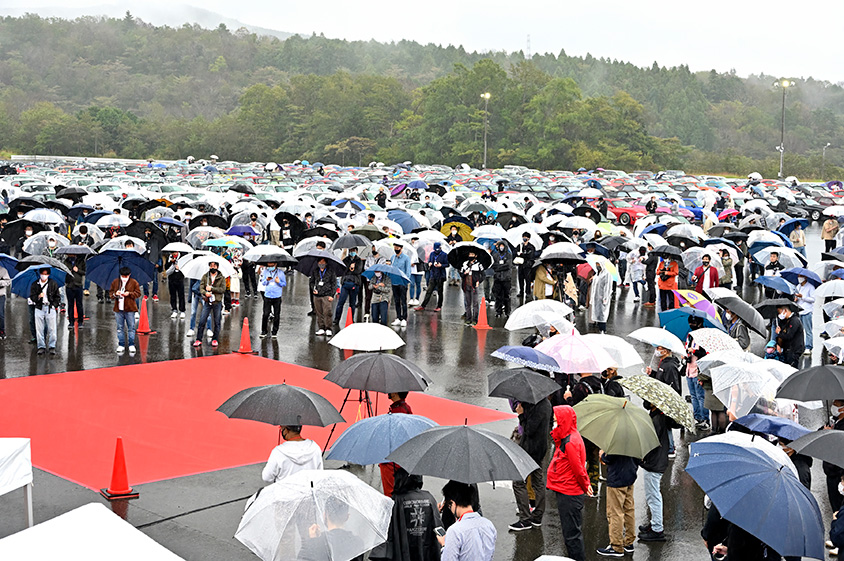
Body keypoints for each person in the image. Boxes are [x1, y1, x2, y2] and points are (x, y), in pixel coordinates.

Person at [547, 405, 592, 561]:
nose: (554, 420)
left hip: (569, 493)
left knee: (571, 536)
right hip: (567, 491)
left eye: (556, 418)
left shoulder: (570, 442)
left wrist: (586, 485)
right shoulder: (570, 436)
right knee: (571, 533)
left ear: (563, 419)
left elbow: (578, 469)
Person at [370, 468, 442, 561]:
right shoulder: (429, 497)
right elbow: (437, 524)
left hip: (403, 551)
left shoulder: (397, 499)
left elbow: (388, 532)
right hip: (426, 551)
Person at [637, 402, 680, 543]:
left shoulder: (657, 419)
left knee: (653, 496)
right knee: (653, 495)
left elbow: (650, 442)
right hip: (657, 461)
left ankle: (657, 529)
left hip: (654, 463)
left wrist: (642, 457)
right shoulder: (660, 415)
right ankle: (654, 523)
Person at [508, 397, 553, 531]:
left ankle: (525, 519)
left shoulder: (537, 406)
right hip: (540, 447)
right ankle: (537, 517)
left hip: (530, 449)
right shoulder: (546, 403)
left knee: (518, 482)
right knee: (537, 481)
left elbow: (529, 429)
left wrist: (521, 415)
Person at [438, 481, 496, 561]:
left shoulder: (454, 531)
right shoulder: (489, 525)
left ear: (453, 503)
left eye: (449, 505)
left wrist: (445, 545)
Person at [597, 451, 638, 557]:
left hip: (616, 478)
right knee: (629, 510)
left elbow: (608, 459)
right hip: (630, 476)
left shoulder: (616, 443)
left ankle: (616, 546)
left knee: (615, 512)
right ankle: (629, 542)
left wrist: (602, 455)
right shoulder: (636, 441)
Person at [192, 260, 225, 348]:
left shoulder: (221, 277)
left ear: (217, 267)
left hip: (217, 302)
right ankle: (199, 339)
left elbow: (223, 289)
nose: (212, 267)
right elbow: (201, 287)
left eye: (214, 266)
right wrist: (205, 293)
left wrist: (212, 289)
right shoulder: (205, 276)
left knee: (217, 321)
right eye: (211, 266)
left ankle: (215, 339)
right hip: (207, 301)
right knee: (202, 320)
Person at [109, 266, 141, 354]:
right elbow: (111, 293)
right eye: (122, 276)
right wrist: (115, 294)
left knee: (131, 327)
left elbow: (138, 294)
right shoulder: (116, 282)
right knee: (120, 328)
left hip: (130, 309)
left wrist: (129, 294)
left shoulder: (134, 282)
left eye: (126, 276)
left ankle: (131, 344)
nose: (124, 278)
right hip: (118, 309)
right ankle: (121, 344)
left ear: (129, 275)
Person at [685, 321, 710, 431]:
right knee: (693, 396)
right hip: (689, 370)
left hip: (698, 371)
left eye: (693, 323)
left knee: (700, 396)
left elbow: (705, 354)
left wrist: (694, 351)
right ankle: (697, 417)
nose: (691, 325)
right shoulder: (690, 337)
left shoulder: (704, 339)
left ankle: (705, 419)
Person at [30, 267, 60, 355]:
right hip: (39, 308)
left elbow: (57, 296)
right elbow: (32, 297)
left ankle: (52, 346)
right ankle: (41, 346)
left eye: (46, 274)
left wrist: (54, 305)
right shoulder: (35, 284)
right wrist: (39, 296)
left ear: (48, 275)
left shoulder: (53, 283)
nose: (44, 276)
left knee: (52, 328)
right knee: (39, 329)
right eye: (42, 274)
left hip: (50, 308)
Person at [415, 242, 448, 312]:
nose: (436, 250)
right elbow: (430, 261)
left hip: (440, 275)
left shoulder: (444, 255)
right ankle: (423, 305)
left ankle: (439, 306)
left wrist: (441, 265)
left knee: (440, 291)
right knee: (429, 291)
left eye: (437, 249)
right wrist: (429, 264)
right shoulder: (432, 254)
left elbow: (447, 264)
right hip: (433, 274)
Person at [334, 248, 362, 325]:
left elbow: (358, 271)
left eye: (354, 251)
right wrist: (350, 267)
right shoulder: (345, 260)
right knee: (340, 302)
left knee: (352, 303)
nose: (352, 252)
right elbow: (343, 270)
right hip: (345, 283)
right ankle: (336, 319)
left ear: (356, 251)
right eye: (351, 251)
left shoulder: (359, 260)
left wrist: (353, 268)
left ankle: (351, 319)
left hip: (355, 283)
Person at [259, 261, 286, 338]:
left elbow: (284, 284)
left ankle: (274, 331)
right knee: (265, 314)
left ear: (275, 264)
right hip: (268, 295)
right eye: (269, 265)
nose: (270, 267)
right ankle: (264, 331)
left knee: (276, 315)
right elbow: (263, 283)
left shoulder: (280, 273)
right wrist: (267, 280)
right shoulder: (265, 272)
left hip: (277, 296)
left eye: (272, 265)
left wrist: (279, 282)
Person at [311, 258, 336, 336]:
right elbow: (312, 282)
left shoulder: (331, 271)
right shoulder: (315, 271)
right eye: (320, 262)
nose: (321, 264)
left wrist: (332, 295)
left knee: (327, 312)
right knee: (319, 312)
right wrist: (313, 289)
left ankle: (328, 328)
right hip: (317, 294)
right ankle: (321, 327)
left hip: (327, 294)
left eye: (323, 262)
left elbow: (334, 284)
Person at [775, 303, 804, 367]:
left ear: (785, 310)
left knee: (792, 368)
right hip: (787, 349)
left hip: (794, 350)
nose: (779, 315)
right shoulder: (784, 321)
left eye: (779, 312)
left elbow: (789, 335)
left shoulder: (794, 321)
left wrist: (779, 333)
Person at [460, 252, 484, 326]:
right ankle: (468, 319)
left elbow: (483, 275)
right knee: (468, 303)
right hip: (466, 285)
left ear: (475, 256)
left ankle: (475, 319)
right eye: (470, 255)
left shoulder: (479, 264)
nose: (471, 256)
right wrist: (465, 273)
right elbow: (461, 274)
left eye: (472, 255)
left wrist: (478, 281)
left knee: (475, 303)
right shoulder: (465, 264)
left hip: (474, 286)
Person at [793, 274, 815, 356]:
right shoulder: (798, 286)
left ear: (805, 277)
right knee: (799, 330)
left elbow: (813, 299)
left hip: (807, 311)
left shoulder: (810, 287)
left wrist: (803, 297)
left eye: (801, 276)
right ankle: (800, 345)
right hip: (799, 311)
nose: (799, 278)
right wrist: (796, 299)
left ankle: (808, 346)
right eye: (798, 276)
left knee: (808, 330)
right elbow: (796, 296)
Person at [390, 243, 411, 327]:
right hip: (394, 282)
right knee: (396, 301)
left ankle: (404, 318)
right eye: (395, 247)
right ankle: (398, 317)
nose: (396, 249)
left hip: (402, 282)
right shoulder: (393, 258)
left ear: (401, 248)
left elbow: (408, 270)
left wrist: (406, 281)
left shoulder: (406, 258)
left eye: (397, 247)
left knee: (403, 301)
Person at [64, 252, 86, 330]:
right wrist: (68, 272)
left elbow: (84, 272)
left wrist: (77, 270)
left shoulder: (81, 261)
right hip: (69, 286)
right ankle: (71, 322)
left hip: (78, 285)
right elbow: (63, 273)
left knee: (79, 304)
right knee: (70, 305)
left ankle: (80, 321)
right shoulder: (66, 262)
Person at [490, 240, 512, 317]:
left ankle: (507, 311)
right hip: (497, 279)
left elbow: (508, 265)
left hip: (506, 279)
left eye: (502, 246)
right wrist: (500, 267)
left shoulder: (509, 255)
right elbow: (493, 266)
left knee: (507, 296)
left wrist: (499, 267)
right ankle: (498, 311)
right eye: (500, 246)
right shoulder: (495, 256)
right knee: (498, 296)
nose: (501, 247)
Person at [589, 261, 612, 333]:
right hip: (596, 297)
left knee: (602, 314)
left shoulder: (607, 274)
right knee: (597, 314)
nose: (597, 266)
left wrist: (605, 298)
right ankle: (599, 329)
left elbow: (607, 287)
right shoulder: (597, 274)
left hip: (601, 297)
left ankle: (603, 330)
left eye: (598, 264)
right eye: (596, 265)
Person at [164, 251, 185, 319]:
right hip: (171, 278)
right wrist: (170, 262)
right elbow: (166, 267)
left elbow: (184, 267)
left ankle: (182, 310)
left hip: (180, 278)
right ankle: (174, 309)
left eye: (175, 252)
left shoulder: (182, 257)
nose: (174, 254)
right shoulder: (169, 258)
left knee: (181, 295)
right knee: (173, 295)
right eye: (173, 252)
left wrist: (179, 268)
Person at [515, 233, 536, 298]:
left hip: (527, 265)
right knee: (520, 279)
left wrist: (522, 255)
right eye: (523, 237)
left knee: (528, 279)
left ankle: (528, 292)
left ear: (528, 238)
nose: (524, 238)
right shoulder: (519, 246)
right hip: (521, 265)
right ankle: (521, 291)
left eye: (526, 237)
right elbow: (515, 253)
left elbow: (531, 256)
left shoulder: (531, 247)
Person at [0, 263, 9, 339]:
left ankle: (2, 331)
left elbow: (8, 281)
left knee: (1, 314)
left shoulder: (3, 270)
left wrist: (1, 282)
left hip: (1, 295)